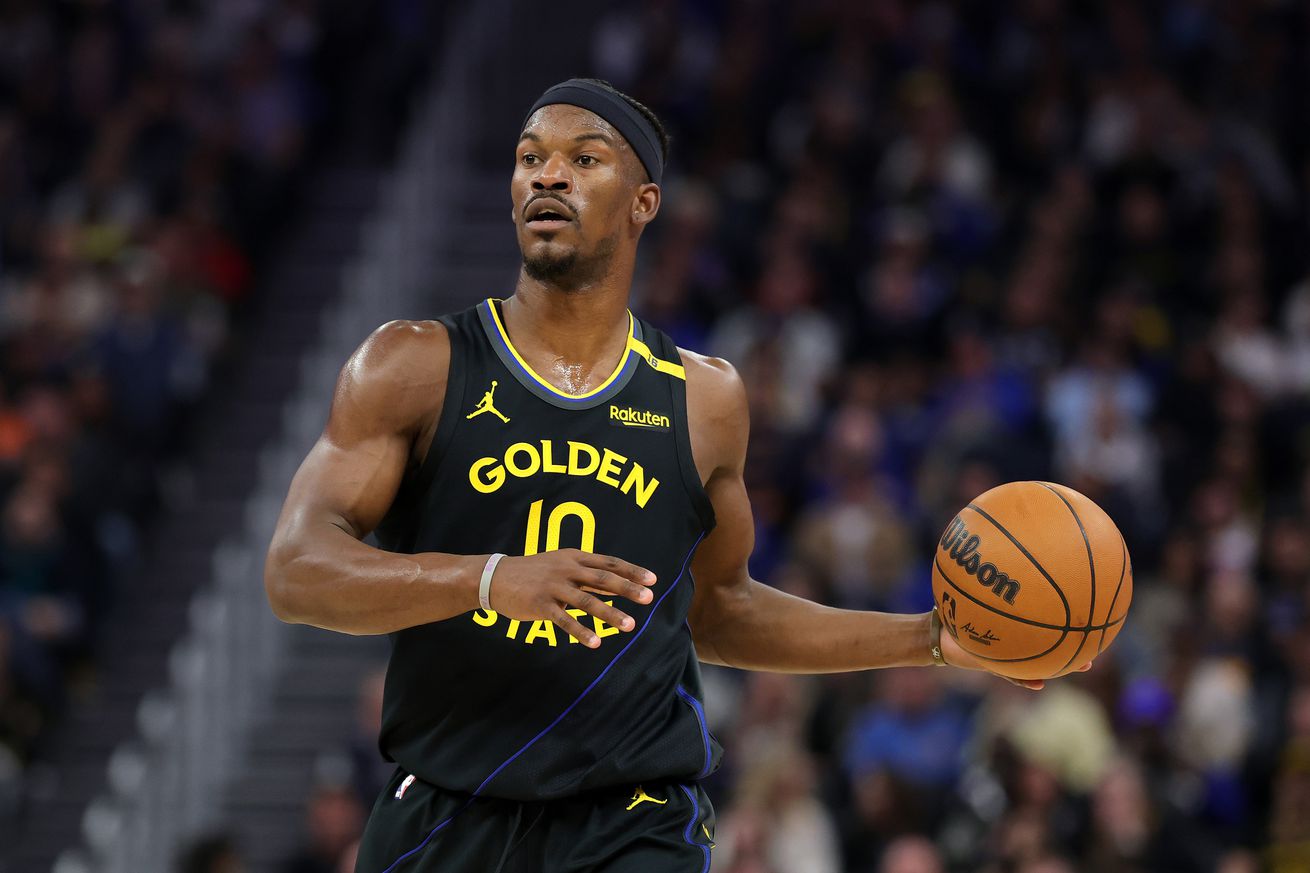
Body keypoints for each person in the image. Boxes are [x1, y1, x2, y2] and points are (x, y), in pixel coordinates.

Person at [264, 78, 1079, 873]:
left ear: (644, 202)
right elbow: (296, 571)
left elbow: (721, 612)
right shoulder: (414, 364)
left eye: (584, 160)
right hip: (447, 810)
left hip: (633, 817)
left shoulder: (704, 398)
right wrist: (488, 579)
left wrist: (928, 638)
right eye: (529, 158)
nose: (547, 175)